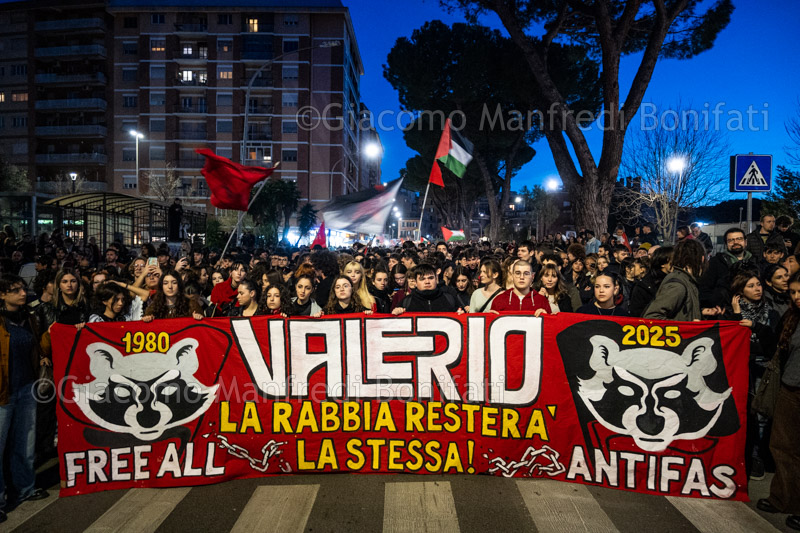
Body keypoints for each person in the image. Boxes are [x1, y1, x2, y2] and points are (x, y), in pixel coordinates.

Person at [0, 274, 50, 523]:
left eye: (23, 289)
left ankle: (24, 488)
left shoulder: (28, 319)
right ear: (2, 295)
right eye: (15, 290)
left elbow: (37, 346)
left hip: (26, 389)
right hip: (3, 393)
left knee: (24, 444)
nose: (22, 293)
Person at [757, 271, 800, 531]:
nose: (796, 297)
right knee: (783, 446)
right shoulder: (791, 317)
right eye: (793, 292)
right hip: (790, 388)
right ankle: (782, 498)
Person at [643, 239, 722, 321]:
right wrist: (688, 325)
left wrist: (701, 313)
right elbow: (652, 317)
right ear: (702, 259)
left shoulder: (687, 281)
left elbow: (680, 314)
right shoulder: (678, 285)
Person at [699, 228, 757, 309]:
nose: (735, 242)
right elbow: (705, 288)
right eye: (731, 240)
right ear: (726, 244)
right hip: (725, 311)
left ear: (745, 242)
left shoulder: (755, 261)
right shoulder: (716, 262)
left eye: (739, 239)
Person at [393, 264, 461, 314]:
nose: (427, 282)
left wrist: (461, 314)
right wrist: (395, 314)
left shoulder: (449, 299)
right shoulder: (406, 302)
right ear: (415, 282)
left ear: (436, 279)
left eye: (431, 278)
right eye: (422, 279)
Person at [628, 246, 673, 317]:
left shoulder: (673, 280)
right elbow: (637, 313)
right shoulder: (644, 286)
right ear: (663, 263)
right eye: (673, 260)